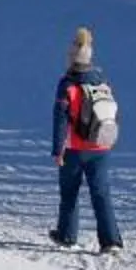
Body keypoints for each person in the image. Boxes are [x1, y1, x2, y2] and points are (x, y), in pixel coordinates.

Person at [50, 26, 125, 253]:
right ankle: (111, 241)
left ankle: (66, 235)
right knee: (101, 193)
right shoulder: (101, 80)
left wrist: (58, 150)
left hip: (75, 148)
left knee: (70, 192)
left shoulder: (68, 84)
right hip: (101, 145)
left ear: (73, 58)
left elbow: (60, 120)